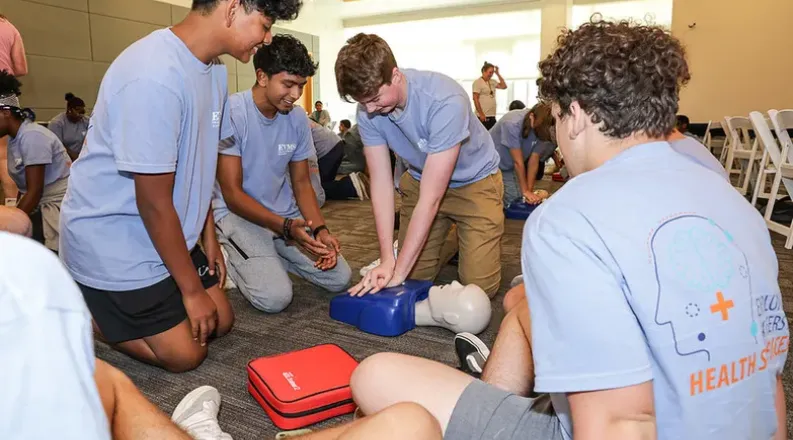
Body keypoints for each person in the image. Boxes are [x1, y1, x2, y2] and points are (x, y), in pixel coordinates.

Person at [330, 19, 790, 440]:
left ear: (578, 114)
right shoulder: (736, 205)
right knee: (522, 303)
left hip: (603, 427)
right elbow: (770, 398)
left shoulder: (567, 218)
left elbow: (615, 424)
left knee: (374, 376)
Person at [59, 0, 303, 373]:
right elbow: (152, 203)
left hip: (166, 229)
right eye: (265, 24)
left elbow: (200, 169)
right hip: (116, 242)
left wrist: (208, 240)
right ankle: (76, 314)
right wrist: (190, 290)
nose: (267, 38)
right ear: (233, 8)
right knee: (187, 354)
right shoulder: (152, 74)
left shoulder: (215, 71)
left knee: (221, 321)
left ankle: (155, 299)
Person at [336, 33, 504, 297]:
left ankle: (457, 237)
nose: (368, 110)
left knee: (478, 291)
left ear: (395, 76)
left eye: (375, 98)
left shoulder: (445, 100)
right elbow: (380, 182)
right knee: (412, 280)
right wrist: (388, 261)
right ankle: (444, 237)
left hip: (475, 183)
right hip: (419, 176)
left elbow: (432, 197)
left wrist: (398, 271)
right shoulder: (369, 108)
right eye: (362, 102)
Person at [215, 34, 351, 314]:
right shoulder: (234, 114)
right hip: (239, 216)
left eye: (301, 85)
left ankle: (270, 255)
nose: (296, 94)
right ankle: (233, 252)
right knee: (275, 298)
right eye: (288, 84)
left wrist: (320, 229)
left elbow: (302, 184)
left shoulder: (298, 118)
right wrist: (285, 228)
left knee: (340, 278)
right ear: (262, 77)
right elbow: (232, 194)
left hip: (284, 218)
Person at [0, 71, 70, 251]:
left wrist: (12, 227)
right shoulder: (16, 138)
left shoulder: (32, 137)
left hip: (55, 210)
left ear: (5, 112)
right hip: (37, 205)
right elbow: (24, 187)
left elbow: (35, 190)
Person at [489, 102, 555, 206]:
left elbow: (534, 159)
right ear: (531, 116)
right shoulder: (512, 123)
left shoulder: (542, 128)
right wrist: (525, 192)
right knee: (509, 202)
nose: (540, 133)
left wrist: (528, 192)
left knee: (518, 199)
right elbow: (518, 162)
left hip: (507, 166)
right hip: (488, 165)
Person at [0, 15, 27, 206]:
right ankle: (11, 210)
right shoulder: (10, 28)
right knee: (5, 156)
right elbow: (21, 68)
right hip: (5, 93)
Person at [309, 118, 369, 200]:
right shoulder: (296, 115)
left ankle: (351, 186)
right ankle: (351, 185)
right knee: (323, 185)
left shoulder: (291, 118)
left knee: (313, 190)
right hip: (334, 145)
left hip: (328, 149)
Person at [49, 92, 90, 161]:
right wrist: (75, 157)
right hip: (62, 159)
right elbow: (58, 146)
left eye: (82, 112)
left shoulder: (86, 121)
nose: (81, 115)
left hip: (81, 157)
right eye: (78, 111)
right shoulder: (57, 123)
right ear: (69, 110)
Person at [472, 61, 506, 130]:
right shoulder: (478, 82)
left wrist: (498, 73)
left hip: (492, 115)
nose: (491, 74)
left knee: (493, 136)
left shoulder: (492, 81)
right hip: (483, 116)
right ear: (484, 71)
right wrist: (481, 114)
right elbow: (475, 98)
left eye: (493, 72)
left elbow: (504, 86)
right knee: (483, 137)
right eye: (490, 72)